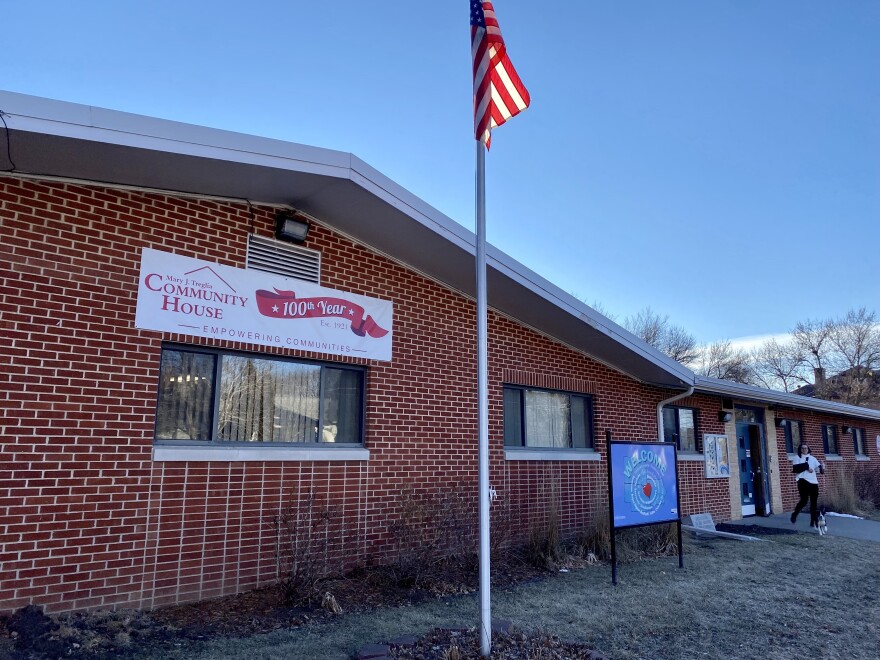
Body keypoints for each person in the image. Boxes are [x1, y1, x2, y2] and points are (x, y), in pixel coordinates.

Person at [790, 442, 822, 526]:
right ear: (800, 449)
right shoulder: (797, 457)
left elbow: (819, 469)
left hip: (813, 482)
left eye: (806, 448)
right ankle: (795, 514)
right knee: (804, 500)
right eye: (802, 448)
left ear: (808, 449)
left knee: (814, 502)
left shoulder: (813, 458)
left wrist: (822, 467)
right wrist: (807, 467)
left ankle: (813, 521)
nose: (804, 450)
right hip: (803, 481)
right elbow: (795, 468)